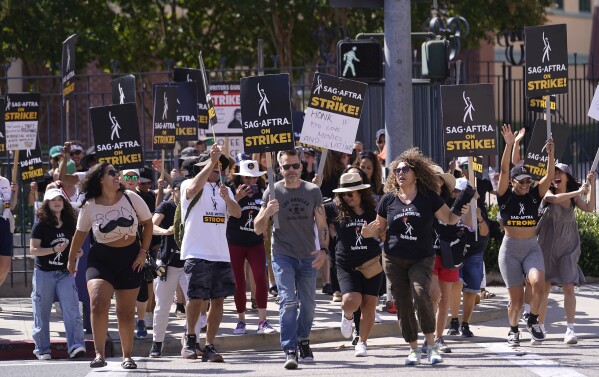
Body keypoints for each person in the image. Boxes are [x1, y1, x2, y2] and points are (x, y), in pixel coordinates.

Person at [362, 147, 469, 365]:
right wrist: (367, 232)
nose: (400, 173)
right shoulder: (388, 200)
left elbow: (449, 218)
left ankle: (430, 345)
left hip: (422, 257)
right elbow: (378, 227)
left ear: (416, 173)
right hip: (393, 259)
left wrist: (462, 206)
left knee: (422, 294)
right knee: (402, 303)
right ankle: (412, 348)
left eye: (405, 169)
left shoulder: (428, 197)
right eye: (397, 170)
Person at [67, 162, 153, 370]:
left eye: (117, 173)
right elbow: (80, 234)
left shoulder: (132, 198)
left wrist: (143, 252)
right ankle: (99, 354)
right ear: (100, 179)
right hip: (101, 258)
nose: (117, 176)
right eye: (112, 173)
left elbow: (148, 223)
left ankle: (127, 356)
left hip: (130, 258)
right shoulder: (90, 205)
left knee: (124, 311)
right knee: (97, 301)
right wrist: (70, 260)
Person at [254, 149, 328, 369]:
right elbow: (258, 229)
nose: (291, 170)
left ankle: (303, 340)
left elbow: (322, 226)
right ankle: (289, 349)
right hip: (282, 255)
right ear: (280, 168)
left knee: (309, 305)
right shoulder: (272, 192)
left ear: (302, 166)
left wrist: (323, 250)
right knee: (288, 301)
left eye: (295, 166)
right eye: (286, 167)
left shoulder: (312, 191)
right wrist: (266, 212)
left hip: (308, 255)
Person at [180, 144, 241, 362]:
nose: (218, 169)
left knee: (218, 300)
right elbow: (191, 191)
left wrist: (227, 199)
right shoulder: (190, 182)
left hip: (220, 253)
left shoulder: (226, 188)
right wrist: (210, 162)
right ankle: (189, 339)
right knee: (196, 299)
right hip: (196, 251)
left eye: (220, 166)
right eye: (214, 164)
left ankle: (209, 345)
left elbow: (236, 213)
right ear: (203, 165)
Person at [496, 124, 554, 347]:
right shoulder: (504, 196)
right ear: (513, 182)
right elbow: (502, 171)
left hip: (531, 247)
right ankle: (513, 330)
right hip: (510, 249)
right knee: (516, 301)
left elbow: (549, 176)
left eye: (528, 181)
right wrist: (509, 145)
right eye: (522, 181)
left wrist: (550, 154)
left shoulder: (533, 195)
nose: (526, 184)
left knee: (539, 284)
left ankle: (532, 320)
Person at [537, 163, 595, 344]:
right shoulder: (547, 192)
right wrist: (578, 191)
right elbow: (554, 200)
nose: (555, 175)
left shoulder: (573, 198)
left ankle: (570, 330)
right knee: (544, 289)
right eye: (553, 172)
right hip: (546, 248)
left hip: (568, 248)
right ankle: (540, 328)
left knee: (569, 287)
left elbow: (589, 208)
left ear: (567, 177)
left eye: (559, 172)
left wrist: (591, 186)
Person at [29, 188, 86, 361]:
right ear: (47, 203)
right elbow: (33, 250)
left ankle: (76, 345)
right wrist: (53, 249)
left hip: (65, 272)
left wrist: (78, 252)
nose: (57, 202)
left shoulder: (70, 224)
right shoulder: (41, 225)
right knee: (42, 311)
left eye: (60, 199)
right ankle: (42, 349)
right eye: (53, 199)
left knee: (71, 308)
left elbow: (75, 247)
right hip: (44, 273)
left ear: (64, 203)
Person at [330, 172, 383, 357]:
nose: (347, 197)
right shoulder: (335, 209)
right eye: (344, 194)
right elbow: (312, 209)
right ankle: (348, 316)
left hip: (371, 263)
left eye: (350, 193)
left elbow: (385, 233)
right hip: (347, 264)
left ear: (360, 192)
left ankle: (362, 341)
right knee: (352, 301)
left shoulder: (374, 210)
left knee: (369, 305)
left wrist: (373, 234)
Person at [149, 176, 195, 357]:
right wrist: (166, 231)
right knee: (162, 306)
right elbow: (152, 226)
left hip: (188, 264)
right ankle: (156, 344)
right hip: (167, 263)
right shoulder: (167, 207)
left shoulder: (193, 207)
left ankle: (191, 341)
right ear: (173, 190)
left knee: (194, 305)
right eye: (180, 189)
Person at [228, 160, 275, 335]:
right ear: (239, 177)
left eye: (254, 178)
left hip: (255, 243)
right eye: (247, 178)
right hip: (235, 242)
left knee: (260, 277)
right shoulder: (231, 191)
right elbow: (224, 214)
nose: (250, 182)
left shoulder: (263, 193)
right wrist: (236, 198)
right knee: (239, 282)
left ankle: (262, 320)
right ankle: (241, 320)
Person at [427, 165, 461, 354]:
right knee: (433, 295)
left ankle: (439, 338)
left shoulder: (451, 202)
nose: (436, 182)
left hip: (448, 255)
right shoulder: (422, 201)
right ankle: (429, 337)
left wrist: (469, 205)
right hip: (428, 255)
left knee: (444, 299)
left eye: (439, 178)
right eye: (433, 178)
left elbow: (468, 224)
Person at [0, 172, 17, 289]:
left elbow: (11, 205)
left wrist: (14, 192)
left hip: (4, 223)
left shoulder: (4, 181)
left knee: (5, 266)